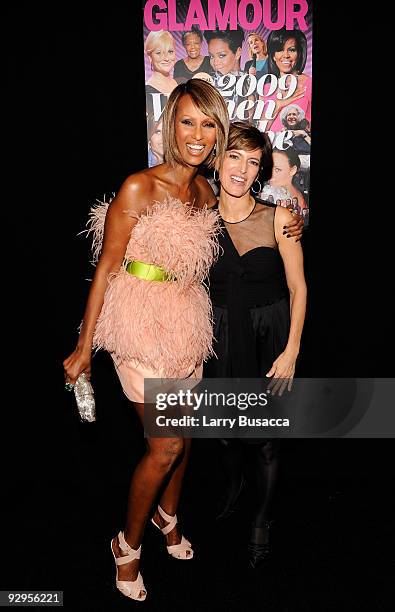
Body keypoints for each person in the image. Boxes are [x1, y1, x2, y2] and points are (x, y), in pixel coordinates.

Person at [63, 79, 230, 602]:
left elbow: (247, 219)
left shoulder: (206, 192)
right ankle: (126, 546)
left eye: (208, 124)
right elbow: (107, 264)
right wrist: (84, 345)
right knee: (166, 445)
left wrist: (287, 220)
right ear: (170, 125)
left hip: (186, 324)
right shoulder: (140, 186)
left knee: (183, 440)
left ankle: (168, 516)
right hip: (137, 323)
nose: (197, 135)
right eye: (188, 121)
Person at [204, 122, 307, 568]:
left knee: (264, 441)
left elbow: (299, 288)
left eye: (252, 162)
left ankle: (262, 519)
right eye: (234, 156)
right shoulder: (197, 220)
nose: (242, 169)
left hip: (269, 339)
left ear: (261, 170)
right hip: (219, 339)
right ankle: (233, 487)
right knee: (227, 436)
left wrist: (292, 352)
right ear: (218, 159)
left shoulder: (280, 217)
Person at [257, 28, 312, 133]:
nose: (285, 55)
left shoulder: (309, 84)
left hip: (298, 147)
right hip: (270, 147)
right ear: (273, 56)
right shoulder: (266, 88)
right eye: (280, 50)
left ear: (299, 53)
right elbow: (260, 131)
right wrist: (277, 105)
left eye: (291, 50)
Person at [204, 27, 252, 121]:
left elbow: (251, 124)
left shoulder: (250, 82)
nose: (215, 62)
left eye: (221, 55)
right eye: (211, 56)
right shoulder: (209, 82)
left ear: (238, 53)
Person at [145, 30, 179, 116]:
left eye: (170, 51)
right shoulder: (147, 92)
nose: (166, 58)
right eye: (159, 53)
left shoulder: (181, 83)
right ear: (150, 57)